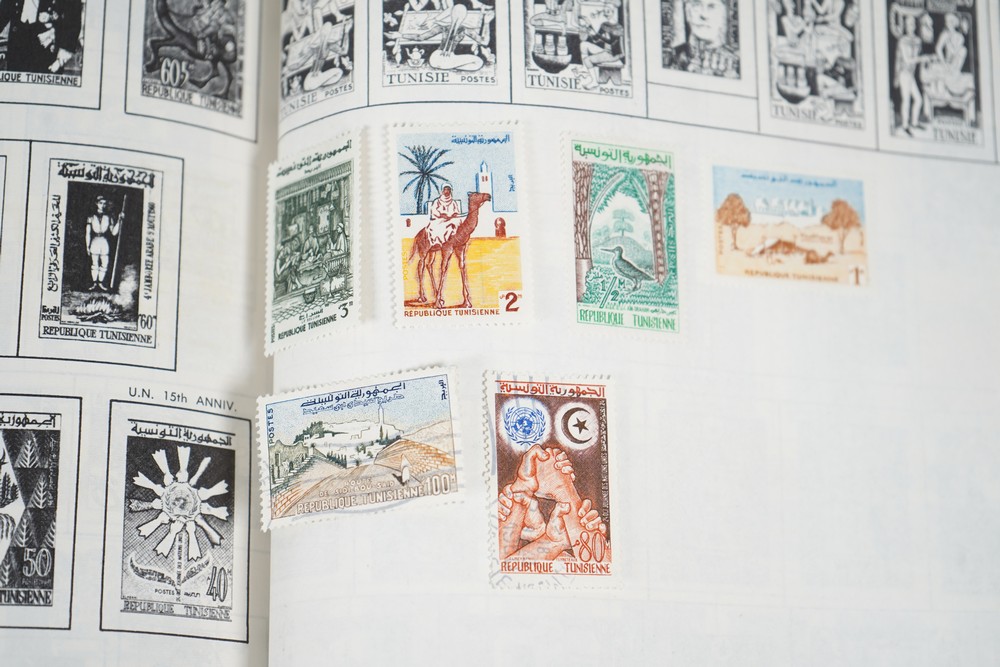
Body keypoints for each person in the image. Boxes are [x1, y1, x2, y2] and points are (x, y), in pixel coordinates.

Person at [668, 0, 738, 77]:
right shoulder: (674, 55)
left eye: (712, 6)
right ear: (687, 11)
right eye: (696, 4)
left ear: (724, 14)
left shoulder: (736, 62)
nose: (704, 15)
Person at [894, 13, 923, 136]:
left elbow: (915, 58)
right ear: (905, 26)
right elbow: (905, 60)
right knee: (906, 100)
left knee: (918, 99)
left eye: (912, 24)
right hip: (904, 74)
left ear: (915, 25)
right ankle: (905, 125)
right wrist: (896, 76)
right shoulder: (903, 41)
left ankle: (914, 122)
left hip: (911, 75)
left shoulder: (917, 40)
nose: (910, 26)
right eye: (908, 24)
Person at [85, 195, 121, 292]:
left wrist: (119, 220)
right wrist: (87, 246)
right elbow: (88, 233)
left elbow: (114, 233)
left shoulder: (109, 217)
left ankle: (100, 283)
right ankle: (94, 283)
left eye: (104, 203)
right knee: (94, 264)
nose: (103, 205)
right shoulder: (91, 217)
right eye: (100, 203)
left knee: (105, 263)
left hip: (104, 242)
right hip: (95, 241)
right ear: (96, 204)